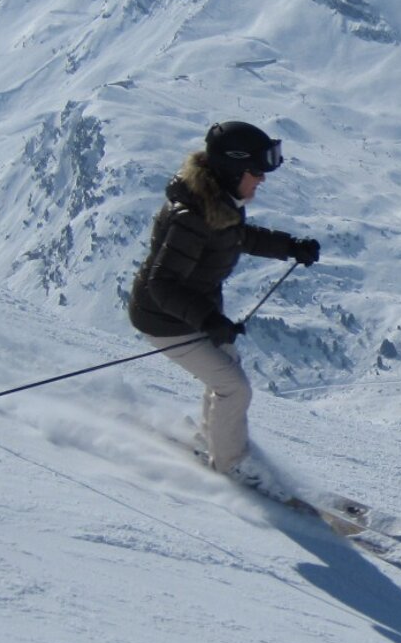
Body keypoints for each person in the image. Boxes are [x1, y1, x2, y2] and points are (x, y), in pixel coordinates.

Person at [128, 120, 319, 480]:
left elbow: (238, 237)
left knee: (227, 371)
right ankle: (232, 465)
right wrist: (207, 320)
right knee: (234, 387)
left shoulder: (216, 203)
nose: (261, 179)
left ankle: (214, 440)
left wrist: (290, 246)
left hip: (190, 312)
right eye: (256, 172)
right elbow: (162, 284)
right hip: (164, 319)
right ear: (233, 171)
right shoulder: (191, 217)